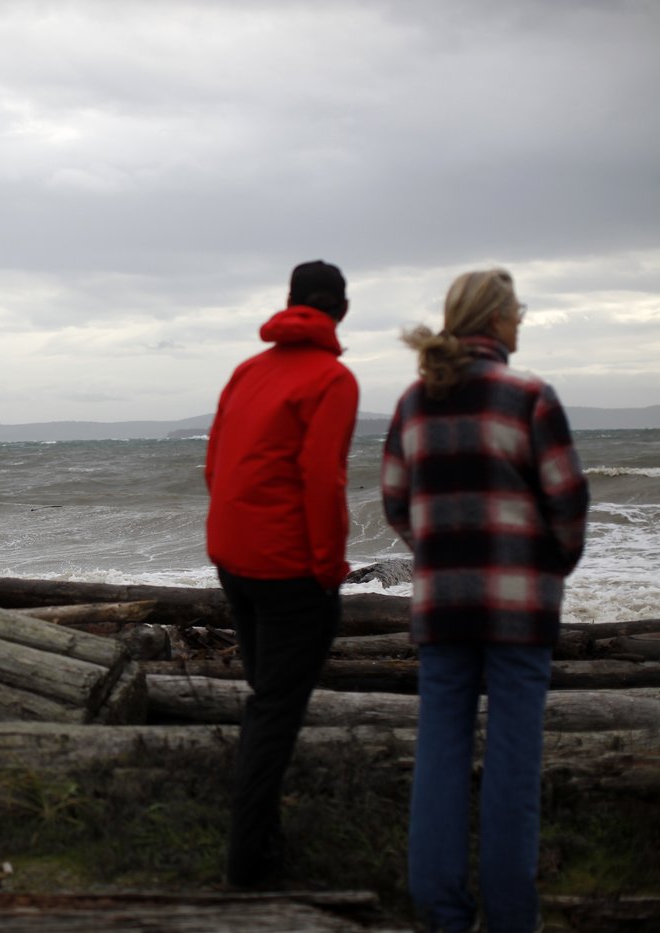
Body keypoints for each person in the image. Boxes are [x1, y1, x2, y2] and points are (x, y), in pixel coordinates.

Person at [382, 269, 588, 931]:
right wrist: (549, 563)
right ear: (497, 321)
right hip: (518, 610)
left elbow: (395, 501)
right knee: (512, 767)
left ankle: (442, 914)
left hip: (443, 607)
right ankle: (509, 918)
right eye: (517, 312)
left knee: (439, 759)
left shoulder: (414, 402)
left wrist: (440, 554)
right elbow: (568, 502)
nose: (521, 322)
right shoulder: (528, 396)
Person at [204, 260, 359, 888]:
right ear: (341, 311)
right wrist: (329, 571)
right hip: (290, 572)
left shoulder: (247, 370)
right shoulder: (334, 379)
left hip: (232, 560)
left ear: (289, 303)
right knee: (275, 712)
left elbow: (215, 465)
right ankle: (250, 870)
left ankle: (264, 842)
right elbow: (324, 481)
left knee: (266, 700)